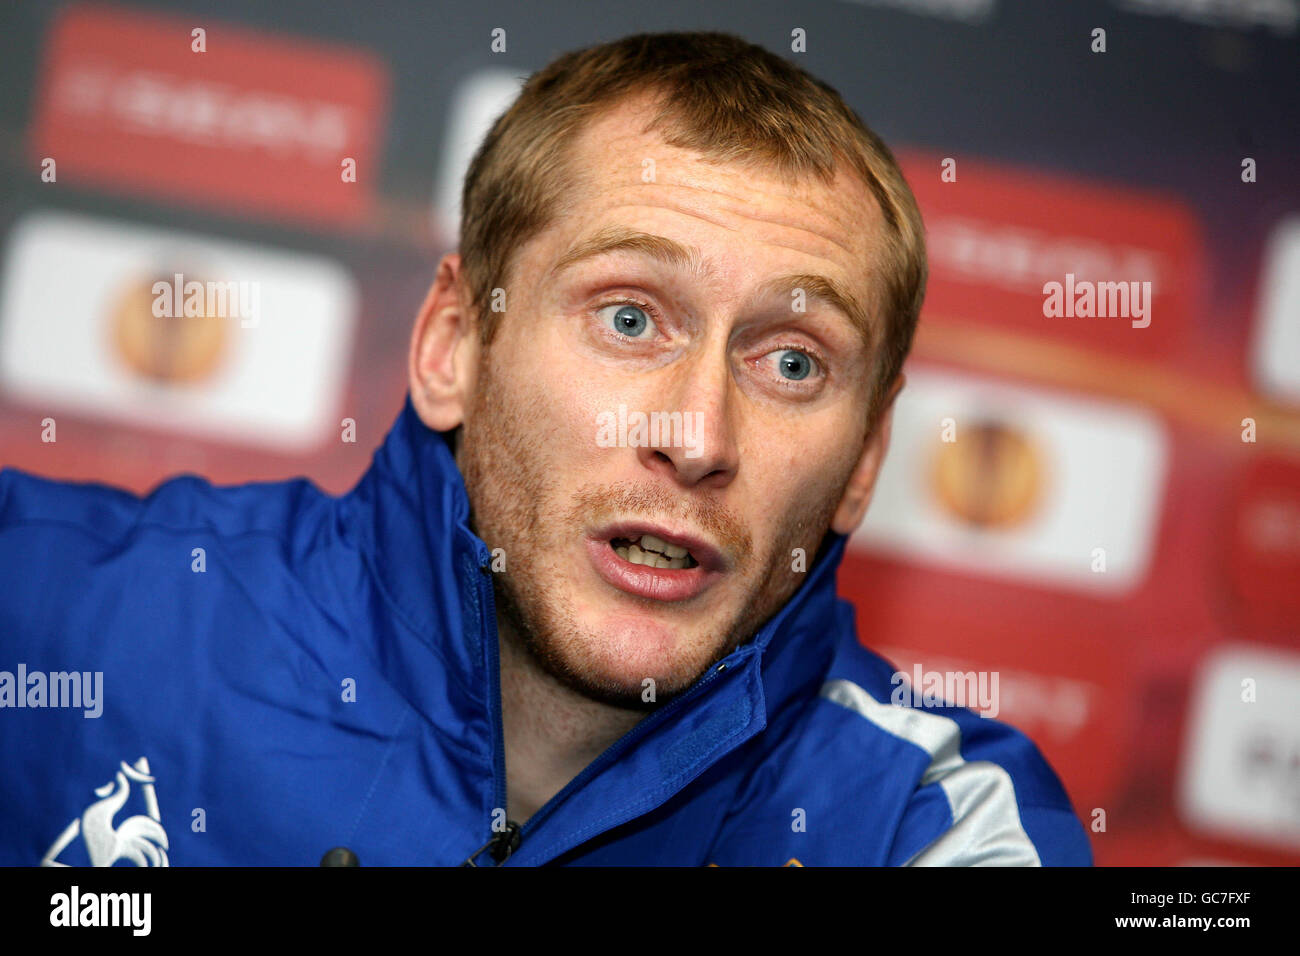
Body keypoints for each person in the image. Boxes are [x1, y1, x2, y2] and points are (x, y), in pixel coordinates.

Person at [0, 31, 1091, 866]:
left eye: (792, 362)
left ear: (863, 461)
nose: (697, 436)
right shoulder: (59, 617)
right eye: (628, 318)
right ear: (452, 346)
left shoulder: (929, 821)